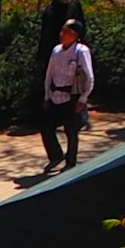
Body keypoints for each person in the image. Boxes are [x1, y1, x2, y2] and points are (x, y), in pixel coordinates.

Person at [37, 20, 95, 174]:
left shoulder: (81, 51)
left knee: (71, 130)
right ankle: (56, 155)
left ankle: (71, 161)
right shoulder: (56, 50)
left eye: (66, 31)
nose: (62, 34)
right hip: (56, 95)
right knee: (46, 127)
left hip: (72, 96)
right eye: (62, 31)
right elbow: (49, 74)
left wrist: (83, 99)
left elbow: (89, 77)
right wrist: (47, 95)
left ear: (75, 35)